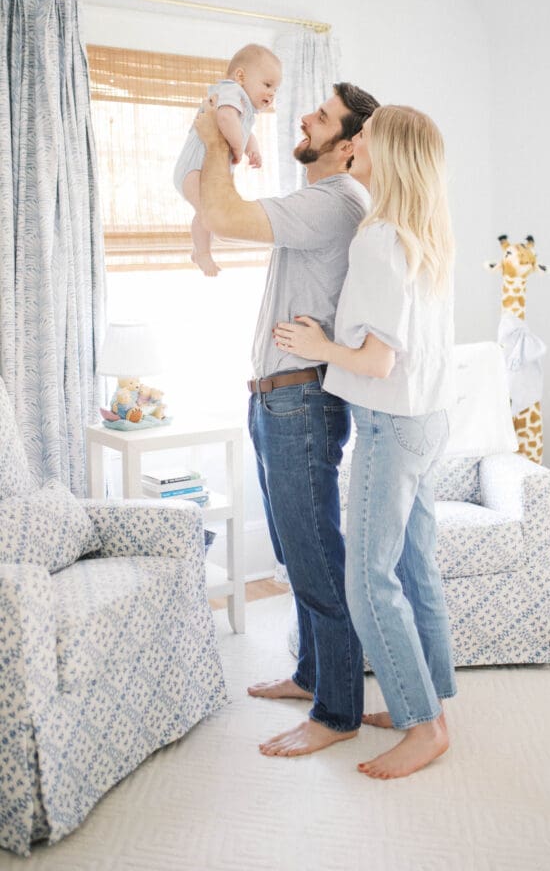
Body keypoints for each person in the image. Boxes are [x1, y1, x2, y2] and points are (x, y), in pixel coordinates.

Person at [194, 81, 380, 757]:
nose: (304, 117)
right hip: (277, 394)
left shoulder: (333, 203)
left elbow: (221, 212)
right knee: (294, 553)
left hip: (300, 399)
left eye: (322, 115)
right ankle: (311, 675)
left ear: (351, 143)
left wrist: (216, 126)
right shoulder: (322, 201)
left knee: (314, 558)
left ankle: (337, 713)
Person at [273, 105, 456, 779]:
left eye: (366, 137)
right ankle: (430, 704)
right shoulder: (424, 234)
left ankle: (423, 726)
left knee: (368, 581)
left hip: (392, 423)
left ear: (389, 155)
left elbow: (377, 360)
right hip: (429, 419)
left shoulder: (379, 239)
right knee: (415, 571)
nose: (354, 142)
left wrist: (318, 346)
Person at [174, 44, 282, 276]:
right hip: (194, 168)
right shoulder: (231, 91)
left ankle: (199, 249)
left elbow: (245, 130)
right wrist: (237, 147)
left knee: (209, 213)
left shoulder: (244, 109)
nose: (272, 93)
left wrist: (254, 150)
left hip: (203, 171)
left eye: (276, 89)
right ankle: (202, 253)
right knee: (208, 214)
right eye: (267, 84)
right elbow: (224, 119)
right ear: (241, 76)